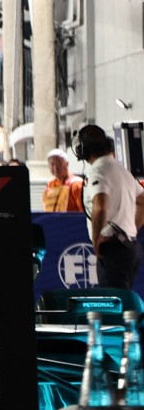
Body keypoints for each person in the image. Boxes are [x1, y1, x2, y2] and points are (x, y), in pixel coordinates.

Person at [76, 124, 144, 289]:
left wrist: (96, 238)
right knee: (123, 299)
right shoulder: (122, 171)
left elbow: (100, 206)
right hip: (130, 247)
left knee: (113, 300)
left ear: (83, 150)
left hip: (113, 250)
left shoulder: (98, 172)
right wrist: (130, 230)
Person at [41, 148, 84, 213]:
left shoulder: (76, 184)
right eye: (52, 164)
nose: (55, 168)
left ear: (67, 164)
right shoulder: (50, 184)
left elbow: (84, 213)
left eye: (59, 164)